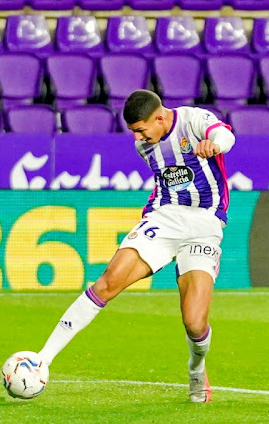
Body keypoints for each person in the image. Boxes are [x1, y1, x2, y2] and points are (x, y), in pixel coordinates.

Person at [37, 89, 235, 403]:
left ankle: (197, 369)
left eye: (140, 129)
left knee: (194, 322)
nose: (137, 136)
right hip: (165, 216)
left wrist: (214, 144)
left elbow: (224, 135)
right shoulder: (145, 145)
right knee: (107, 282)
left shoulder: (193, 119)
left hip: (205, 223)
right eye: (133, 131)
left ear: (160, 117)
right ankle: (42, 360)